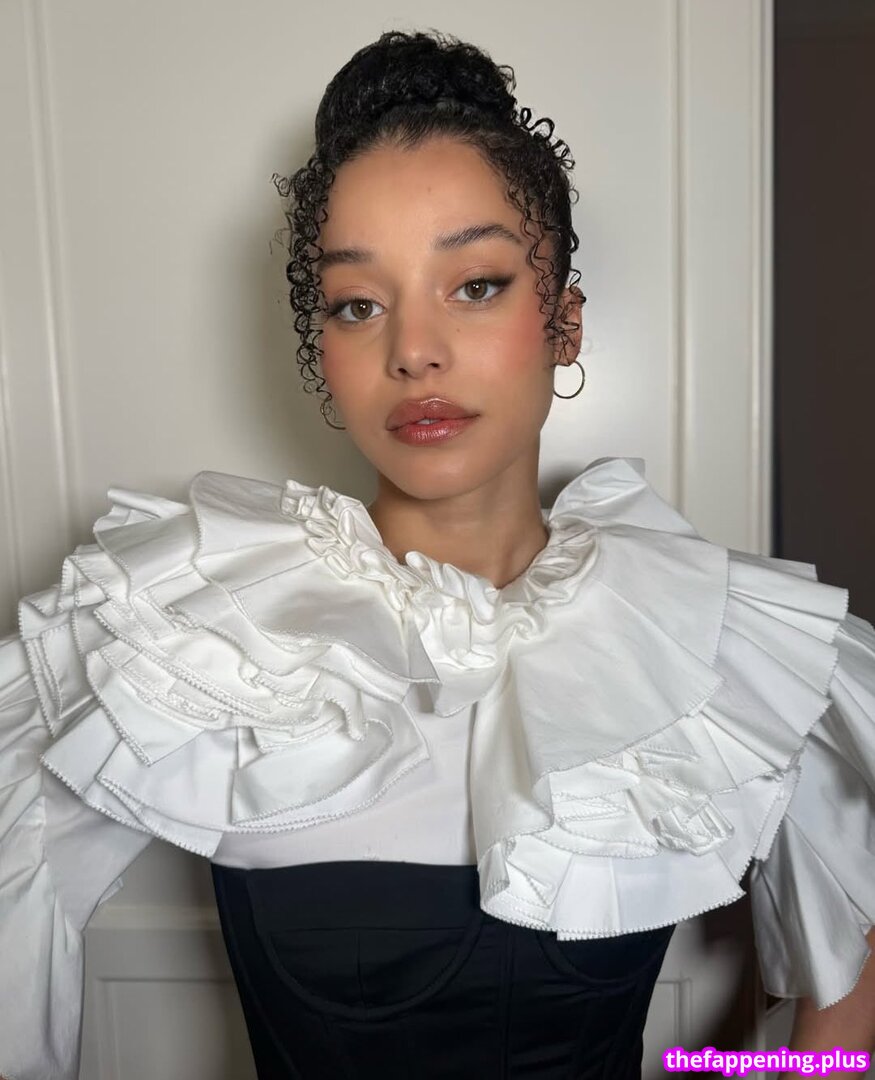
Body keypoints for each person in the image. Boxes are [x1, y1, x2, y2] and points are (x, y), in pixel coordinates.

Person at [2, 27, 875, 1080]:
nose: (412, 349)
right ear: (322, 350)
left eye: (475, 284)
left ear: (563, 323)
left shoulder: (720, 644)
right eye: (358, 304)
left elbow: (844, 994)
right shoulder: (191, 630)